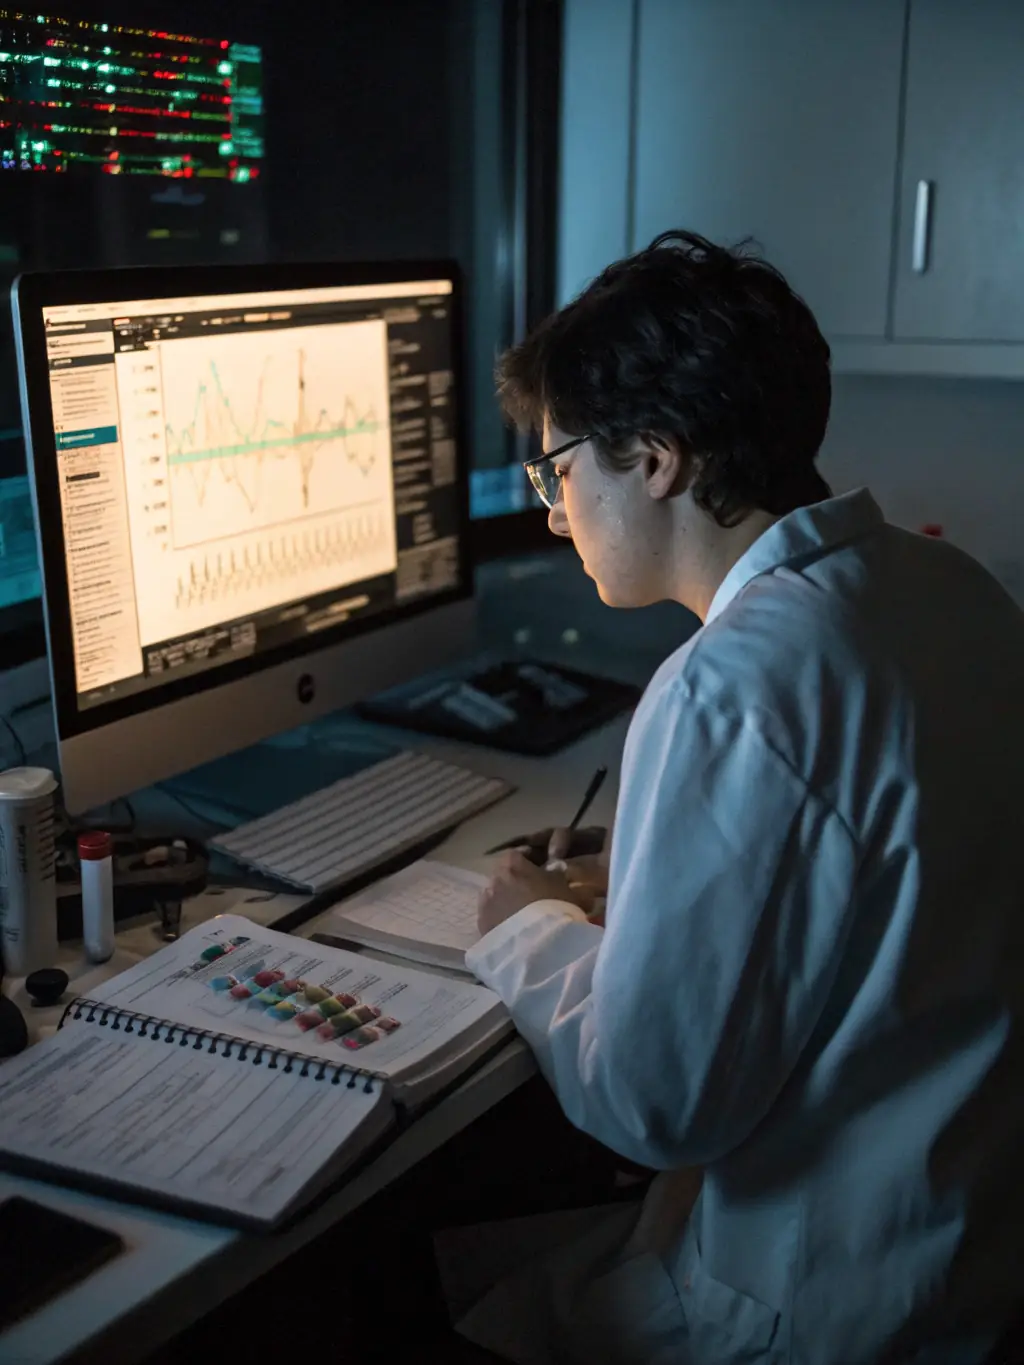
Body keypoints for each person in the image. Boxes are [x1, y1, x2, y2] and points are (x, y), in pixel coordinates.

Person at [457, 231, 1024, 1364]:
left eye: (559, 469)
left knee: (430, 1295)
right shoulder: (951, 586)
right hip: (972, 1247)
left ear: (655, 457)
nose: (556, 514)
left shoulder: (727, 687)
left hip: (825, 1304)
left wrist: (523, 925)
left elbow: (654, 1104)